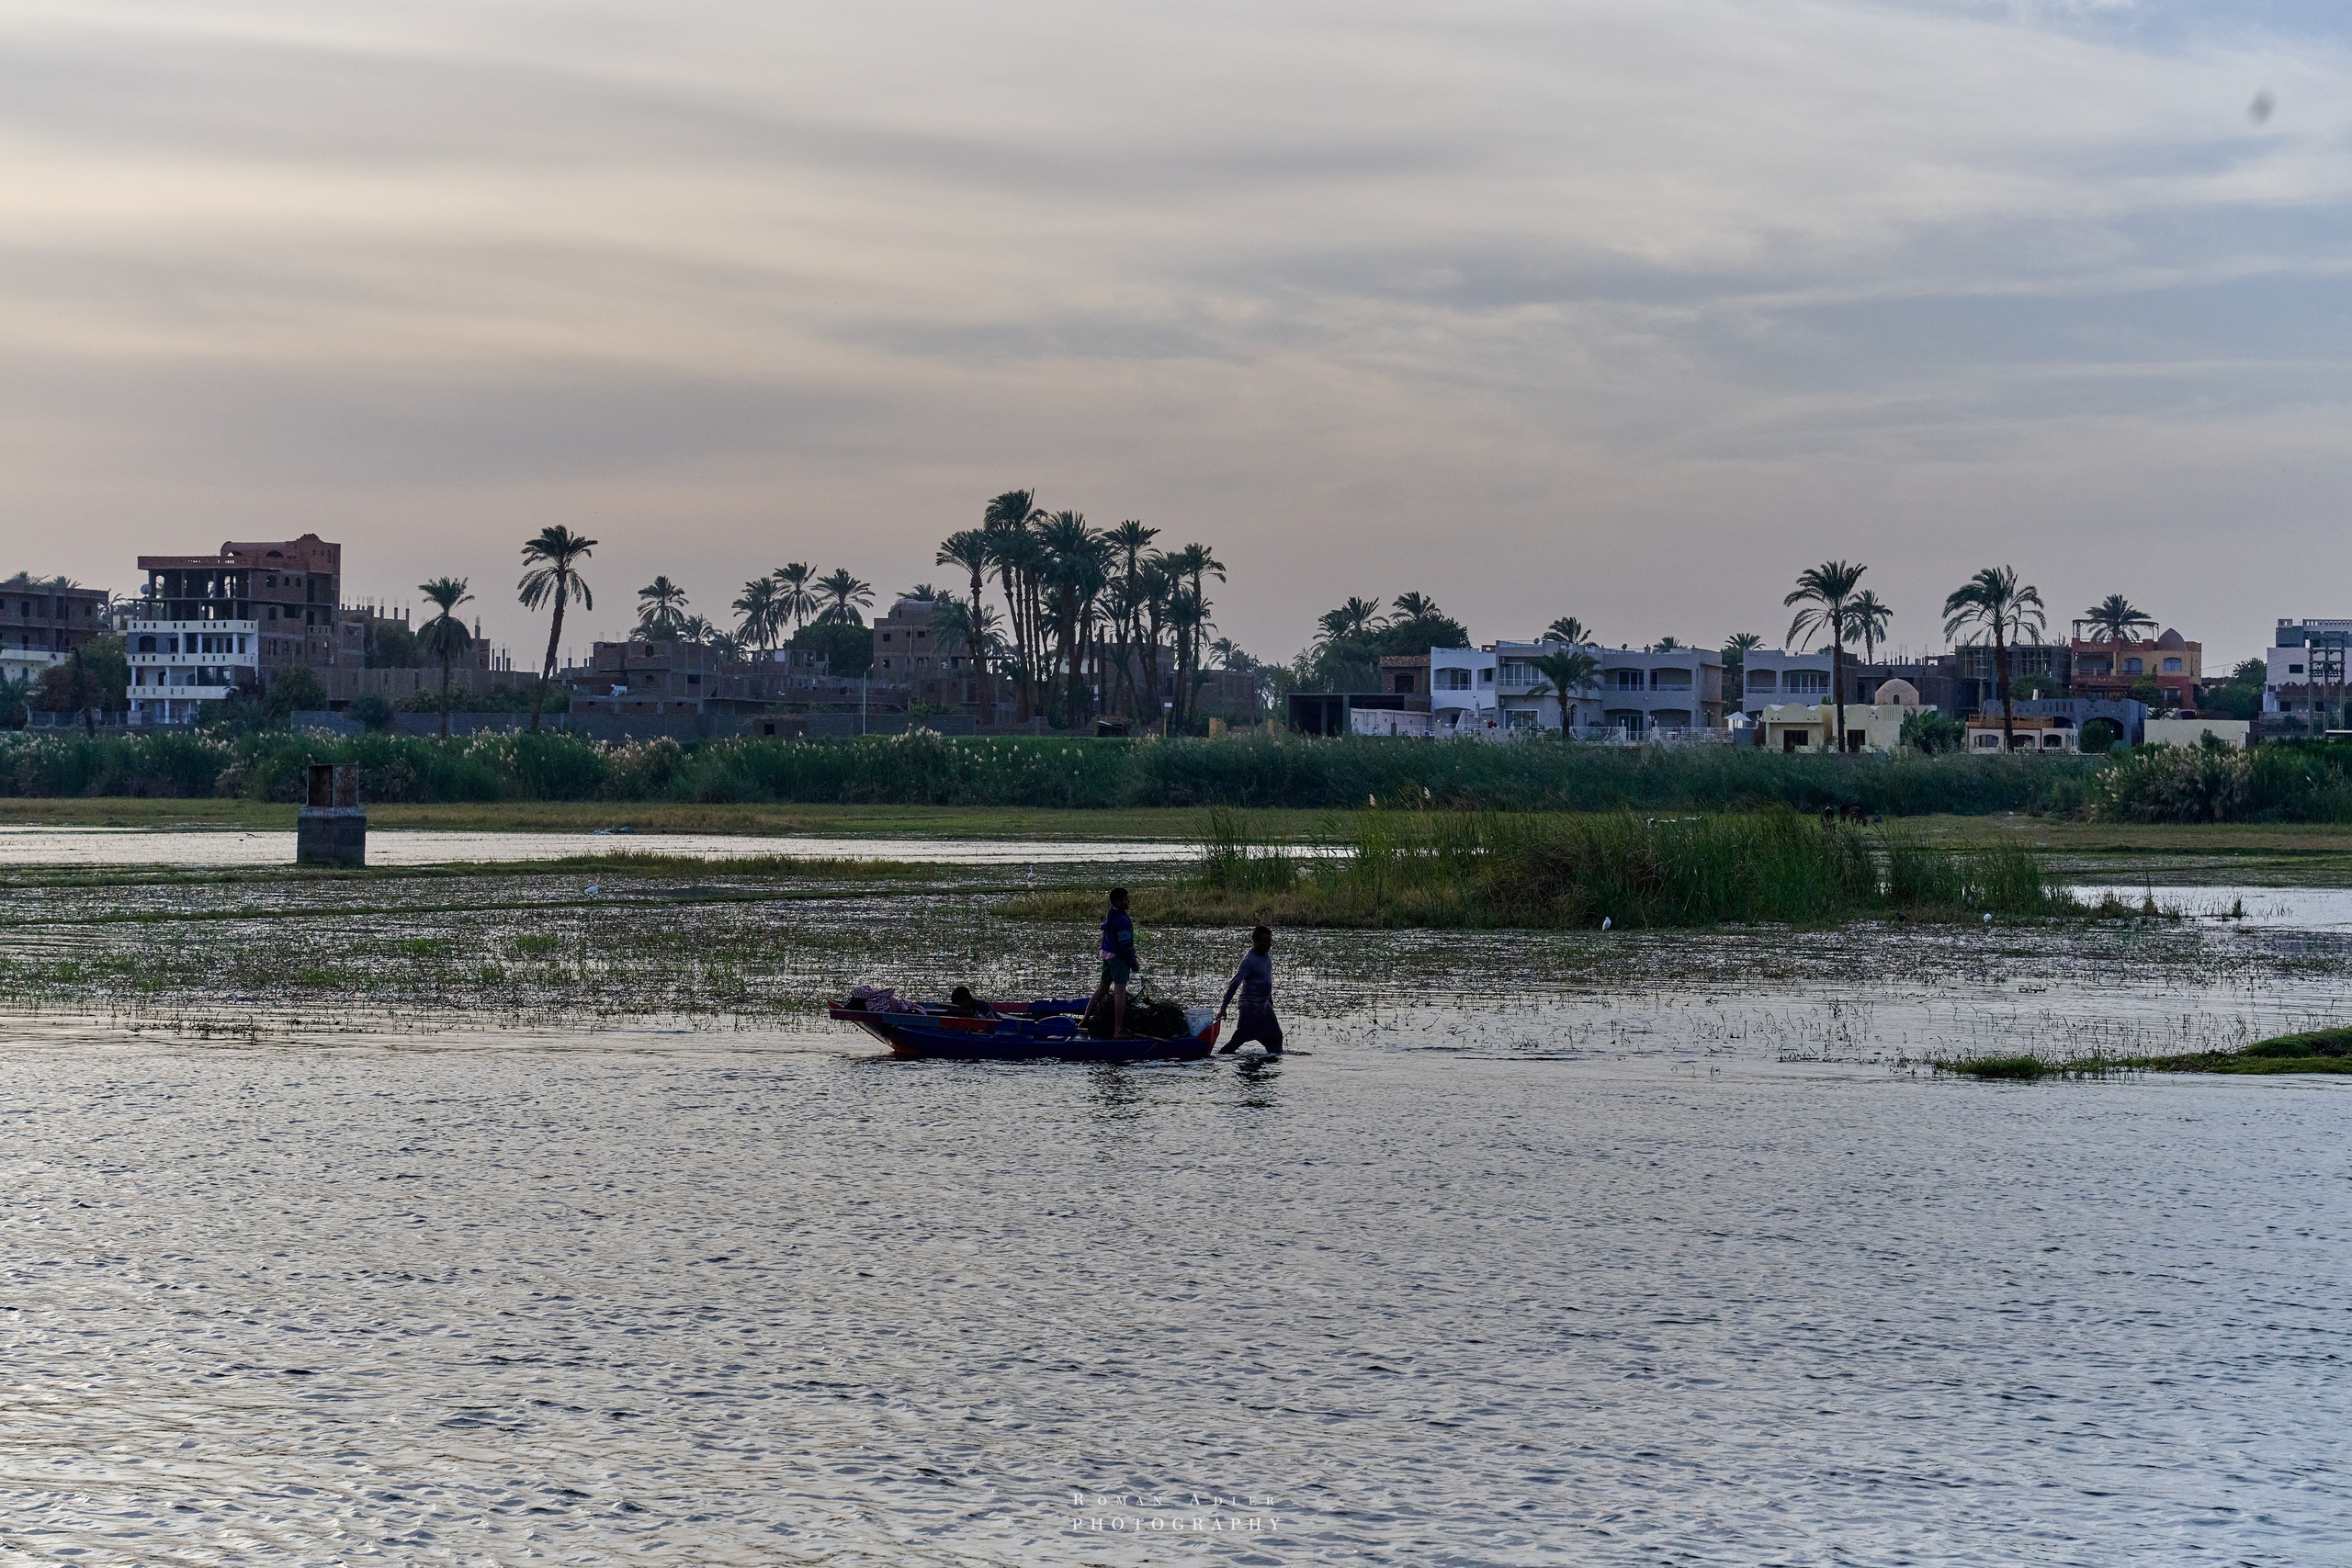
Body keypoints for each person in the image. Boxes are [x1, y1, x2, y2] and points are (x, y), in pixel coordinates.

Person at [1216, 924, 1283, 1055]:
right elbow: (1235, 983)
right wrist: (1223, 1008)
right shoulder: (1248, 961)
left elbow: (1266, 979)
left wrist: (1270, 1000)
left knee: (1276, 1037)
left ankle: (1270, 1066)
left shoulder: (1266, 956)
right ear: (1256, 941)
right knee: (1240, 1038)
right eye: (1265, 941)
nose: (1268, 945)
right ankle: (1217, 1058)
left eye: (1270, 941)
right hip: (1250, 1007)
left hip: (1264, 1006)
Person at [1089, 887, 1140, 1038]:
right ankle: (1118, 1030)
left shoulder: (1111, 914)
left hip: (1107, 955)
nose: (1128, 902)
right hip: (1118, 957)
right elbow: (1125, 945)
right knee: (1120, 992)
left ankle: (1084, 1021)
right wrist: (1133, 962)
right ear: (1118, 902)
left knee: (1102, 988)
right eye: (1126, 900)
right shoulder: (1122, 920)